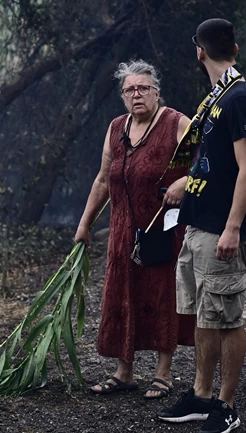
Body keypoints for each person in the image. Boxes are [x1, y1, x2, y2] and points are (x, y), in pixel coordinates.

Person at [157, 19, 246, 433]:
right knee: (206, 314)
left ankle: (227, 405)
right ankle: (201, 396)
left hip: (223, 228)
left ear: (198, 52)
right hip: (199, 223)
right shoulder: (217, 98)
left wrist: (233, 227)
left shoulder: (240, 98)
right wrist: (189, 180)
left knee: (228, 317)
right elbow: (216, 159)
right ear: (233, 48)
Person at [75, 60, 196, 400]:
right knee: (122, 294)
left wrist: (184, 182)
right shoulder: (116, 127)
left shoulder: (177, 123)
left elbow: (206, 164)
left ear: (157, 92)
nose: (137, 94)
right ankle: (123, 371)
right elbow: (103, 179)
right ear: (123, 96)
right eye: (130, 89)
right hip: (122, 231)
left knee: (160, 295)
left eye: (143, 88)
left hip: (162, 229)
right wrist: (85, 223)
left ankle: (163, 373)